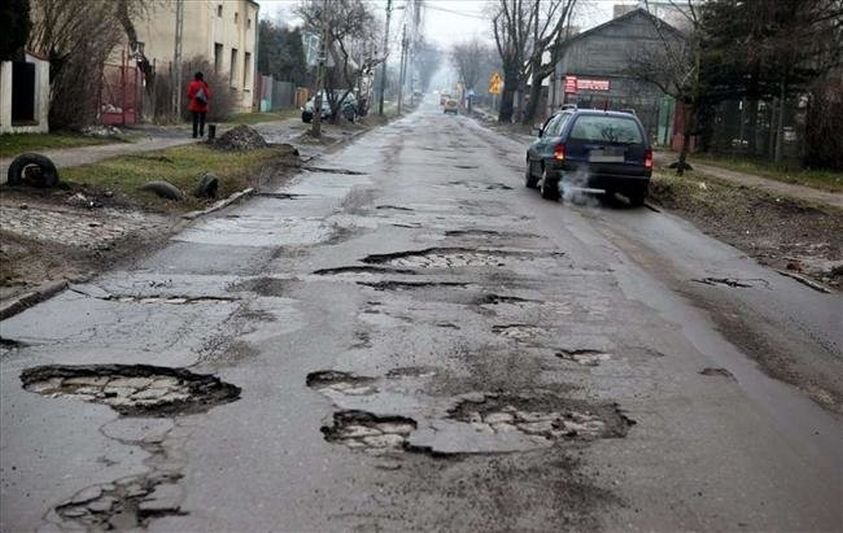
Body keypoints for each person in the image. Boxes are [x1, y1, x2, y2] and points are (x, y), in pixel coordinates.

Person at [187, 71, 211, 138]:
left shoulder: (192, 84)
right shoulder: (204, 84)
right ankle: (201, 132)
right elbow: (208, 95)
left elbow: (189, 94)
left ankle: (194, 133)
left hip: (194, 104)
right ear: (201, 77)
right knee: (202, 119)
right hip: (203, 105)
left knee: (195, 120)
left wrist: (193, 98)